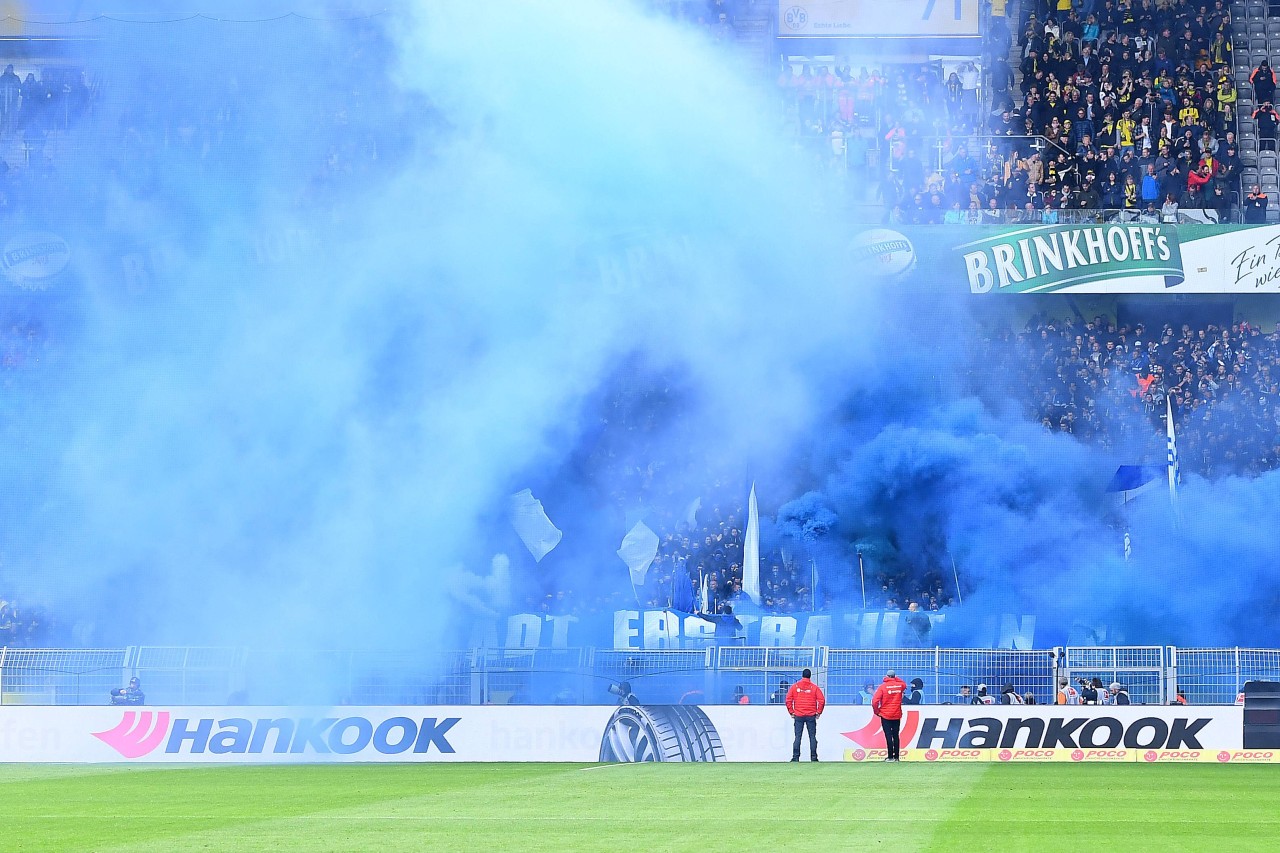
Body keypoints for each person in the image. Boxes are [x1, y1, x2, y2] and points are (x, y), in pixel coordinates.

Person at [785, 667, 825, 762]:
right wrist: (818, 712)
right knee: (812, 736)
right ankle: (814, 757)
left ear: (802, 675)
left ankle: (795, 757)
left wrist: (791, 711)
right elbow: (822, 701)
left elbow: (788, 700)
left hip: (798, 715)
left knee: (798, 736)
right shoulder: (814, 687)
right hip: (811, 715)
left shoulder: (795, 687)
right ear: (810, 676)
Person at [871, 669, 907, 762]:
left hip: (885, 714)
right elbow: (903, 683)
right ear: (894, 676)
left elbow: (875, 701)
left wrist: (877, 711)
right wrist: (895, 678)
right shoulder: (900, 685)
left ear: (886, 676)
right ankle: (897, 757)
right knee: (896, 735)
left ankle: (890, 756)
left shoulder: (883, 687)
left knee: (888, 735)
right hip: (897, 714)